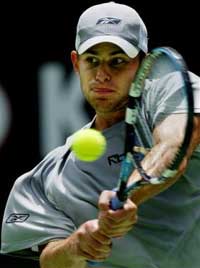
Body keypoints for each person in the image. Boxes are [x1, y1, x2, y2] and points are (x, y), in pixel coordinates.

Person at [1, 2, 200, 268]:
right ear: (75, 63)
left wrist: (126, 195)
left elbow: (175, 144)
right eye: (92, 60)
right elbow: (50, 261)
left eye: (117, 61)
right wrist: (76, 246)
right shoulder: (47, 179)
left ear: (142, 65)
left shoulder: (172, 90)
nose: (103, 74)